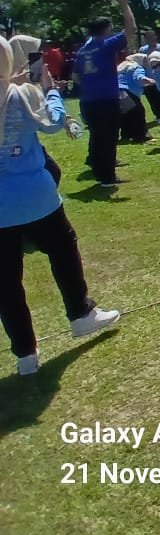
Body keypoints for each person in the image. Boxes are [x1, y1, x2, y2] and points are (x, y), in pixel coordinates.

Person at [0, 36, 120, 376]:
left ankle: (25, 354)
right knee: (63, 250)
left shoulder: (16, 92)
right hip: (35, 196)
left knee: (6, 284)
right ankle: (80, 314)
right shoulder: (21, 95)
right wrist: (49, 89)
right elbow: (53, 122)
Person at [72, 0, 137, 187]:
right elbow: (130, 30)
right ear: (106, 29)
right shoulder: (105, 45)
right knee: (108, 138)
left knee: (96, 136)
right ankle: (107, 178)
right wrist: (124, 5)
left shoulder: (83, 50)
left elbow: (75, 77)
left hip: (87, 101)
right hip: (105, 100)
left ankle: (98, 168)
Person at [116, 54, 153, 144]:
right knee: (138, 113)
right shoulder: (137, 67)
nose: (146, 63)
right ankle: (141, 136)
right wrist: (151, 81)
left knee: (125, 114)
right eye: (145, 60)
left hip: (115, 92)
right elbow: (139, 78)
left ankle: (126, 135)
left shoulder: (121, 67)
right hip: (128, 92)